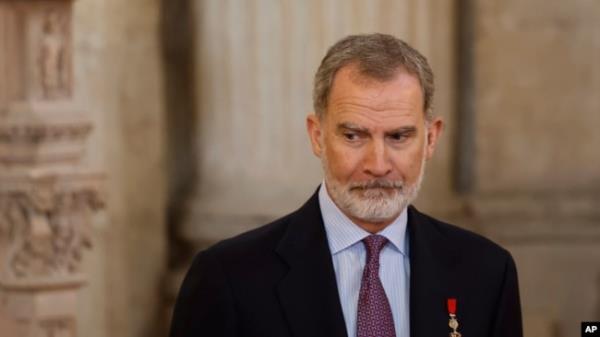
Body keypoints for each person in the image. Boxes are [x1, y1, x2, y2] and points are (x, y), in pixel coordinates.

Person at [170, 33, 523, 337]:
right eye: (353, 136)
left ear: (431, 139)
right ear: (317, 135)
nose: (378, 165)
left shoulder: (487, 273)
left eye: (399, 136)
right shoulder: (229, 277)